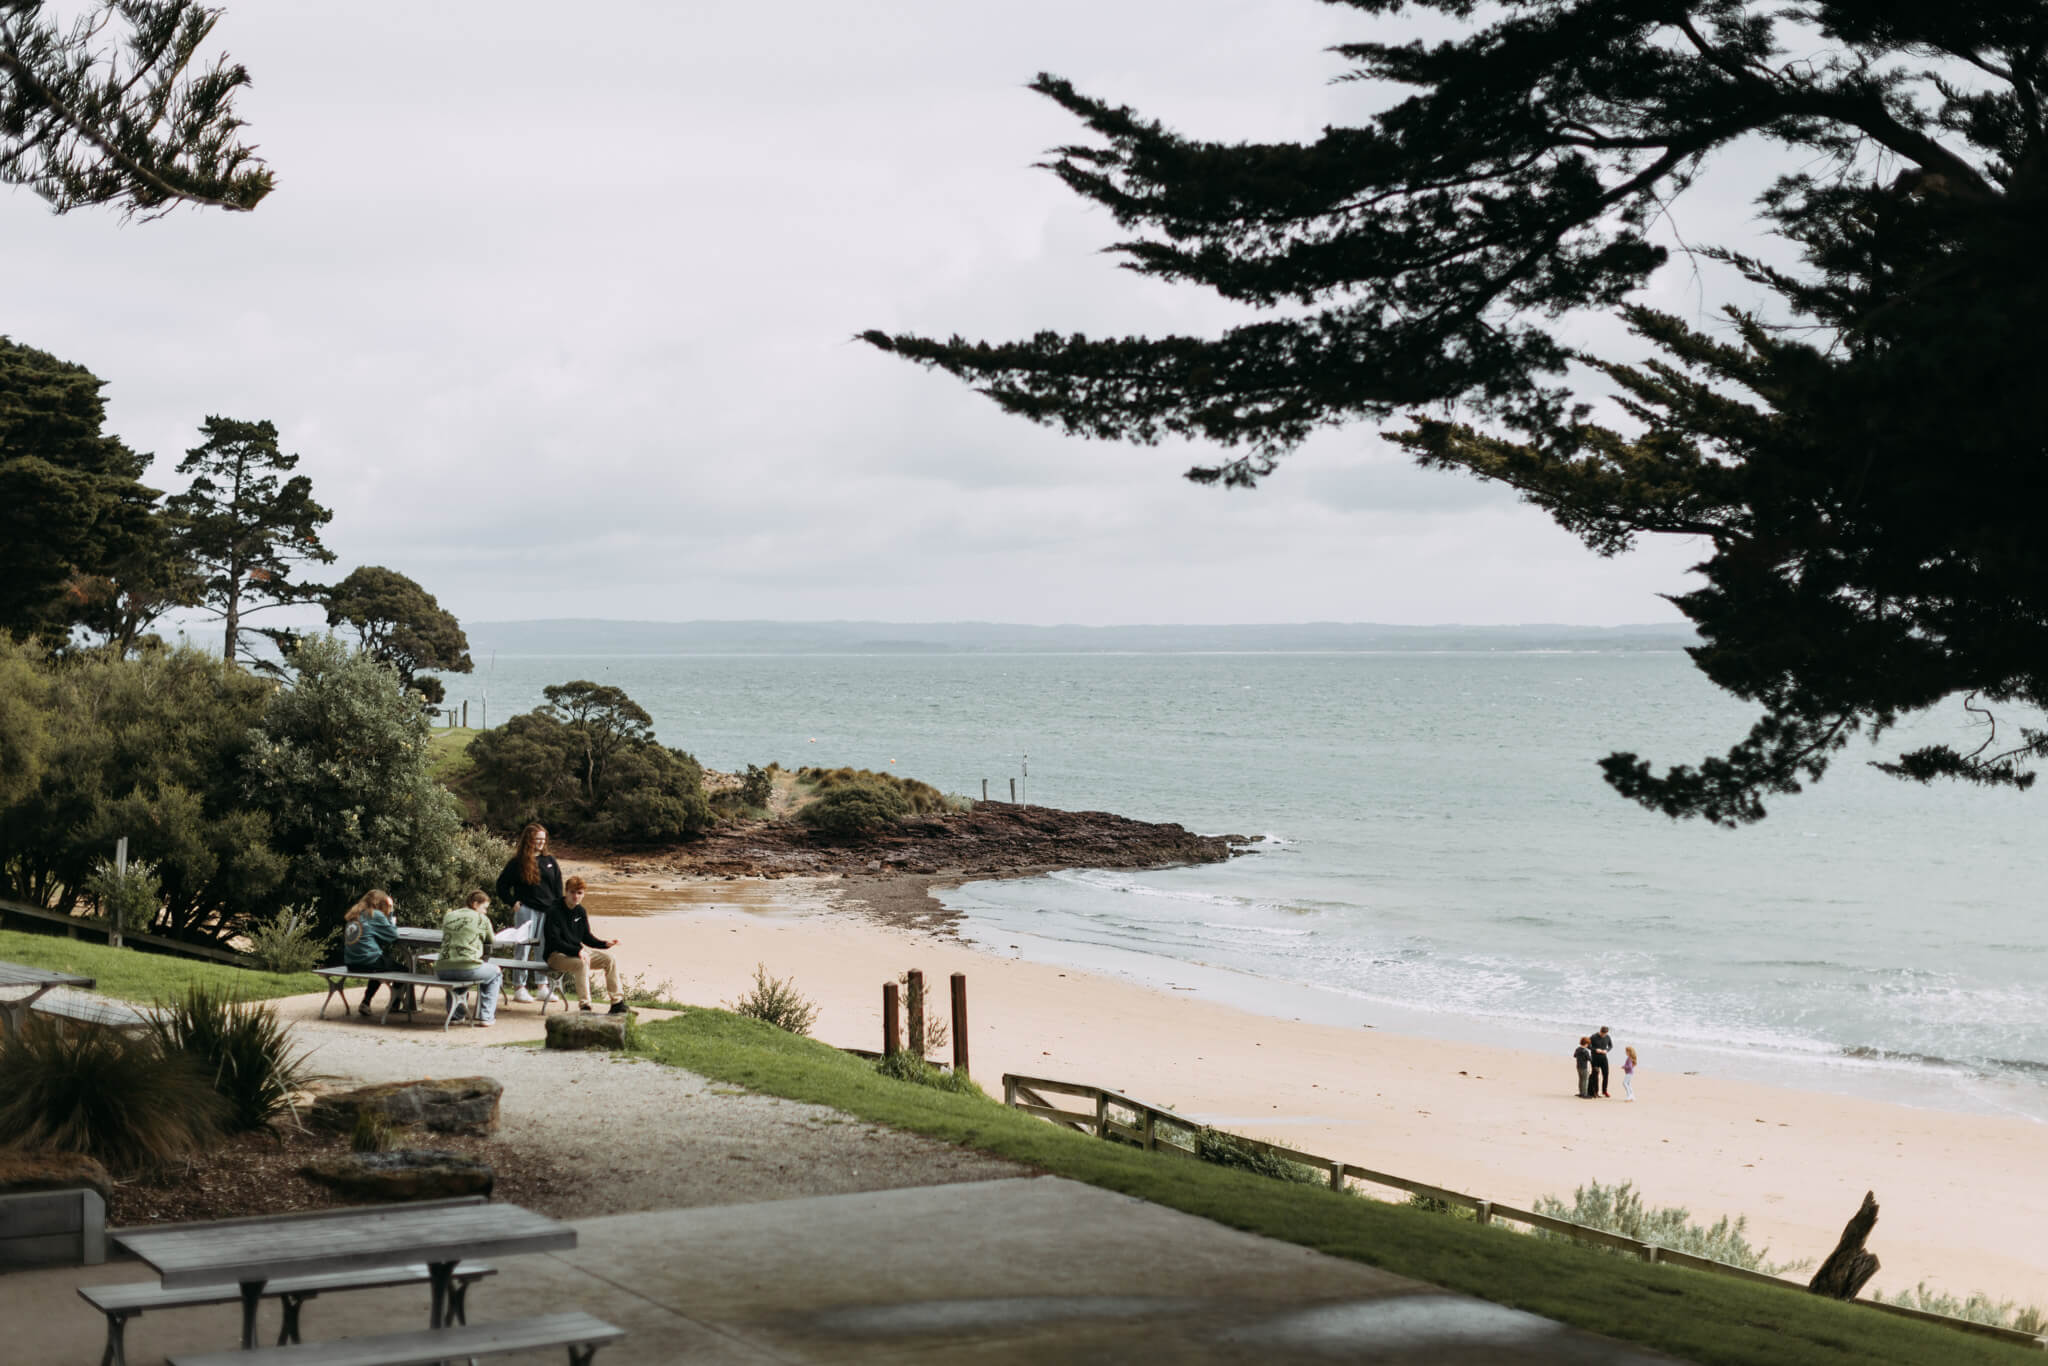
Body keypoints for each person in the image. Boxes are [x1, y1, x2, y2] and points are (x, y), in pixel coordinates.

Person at [495, 823, 564, 1004]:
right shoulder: (517, 862)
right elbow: (501, 885)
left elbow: (558, 888)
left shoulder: (550, 860)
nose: (541, 842)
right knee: (523, 948)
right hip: (527, 911)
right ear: (528, 840)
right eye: (537, 839)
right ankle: (519, 988)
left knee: (543, 949)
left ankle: (542, 987)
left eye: (543, 839)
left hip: (548, 912)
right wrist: (512, 902)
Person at [542, 874, 627, 1014]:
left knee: (610, 959)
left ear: (583, 894)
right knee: (581, 963)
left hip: (577, 953)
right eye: (572, 892)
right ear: (566, 892)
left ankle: (617, 1003)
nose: (576, 896)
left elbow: (586, 937)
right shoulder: (554, 911)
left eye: (579, 893)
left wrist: (605, 943)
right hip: (555, 956)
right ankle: (585, 1007)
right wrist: (577, 951)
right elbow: (555, 941)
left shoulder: (580, 911)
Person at [436, 890, 502, 1026]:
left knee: (457, 973)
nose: (485, 912)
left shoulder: (449, 916)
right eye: (484, 908)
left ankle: (456, 1015)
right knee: (495, 972)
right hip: (468, 967)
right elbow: (491, 940)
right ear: (475, 904)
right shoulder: (482, 919)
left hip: (442, 969)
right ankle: (486, 1016)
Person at [341, 890, 401, 1017]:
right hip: (368, 961)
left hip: (351, 963)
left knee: (380, 967)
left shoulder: (355, 913)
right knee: (404, 970)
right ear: (380, 903)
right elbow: (393, 935)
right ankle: (394, 1005)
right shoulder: (375, 915)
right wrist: (391, 913)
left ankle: (366, 1002)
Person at [1590, 1026, 1614, 1098]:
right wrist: (1595, 1050)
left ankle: (1604, 1091)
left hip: (1604, 1058)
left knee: (1606, 1074)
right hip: (1595, 1058)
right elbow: (1588, 1045)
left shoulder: (1607, 1037)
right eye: (1602, 1034)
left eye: (1605, 1034)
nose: (1603, 1035)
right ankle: (1595, 1091)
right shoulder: (1593, 1036)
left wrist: (1607, 1050)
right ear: (1600, 1031)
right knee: (1595, 1075)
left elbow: (1611, 1046)